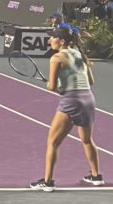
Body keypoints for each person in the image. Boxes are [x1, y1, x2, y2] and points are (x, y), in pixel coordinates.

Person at [30, 26, 103, 192]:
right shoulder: (79, 54)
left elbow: (52, 87)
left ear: (61, 41)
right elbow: (91, 82)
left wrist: (55, 87)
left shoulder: (56, 58)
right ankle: (96, 176)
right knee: (87, 140)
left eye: (52, 37)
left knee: (53, 142)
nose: (49, 40)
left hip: (72, 101)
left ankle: (47, 182)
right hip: (88, 100)